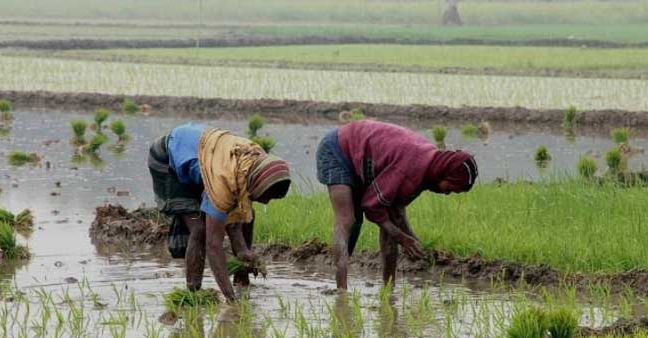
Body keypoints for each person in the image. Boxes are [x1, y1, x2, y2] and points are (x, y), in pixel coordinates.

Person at [316, 119, 478, 290]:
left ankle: (388, 290)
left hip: (363, 155)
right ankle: (341, 292)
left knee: (390, 225)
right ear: (445, 173)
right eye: (451, 188)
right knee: (347, 219)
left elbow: (396, 214)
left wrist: (414, 242)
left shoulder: (428, 169)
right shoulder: (410, 168)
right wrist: (403, 238)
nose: (447, 193)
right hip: (338, 149)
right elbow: (371, 206)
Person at [148, 123, 291, 302]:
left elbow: (242, 213)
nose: (267, 201)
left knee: (243, 212)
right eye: (267, 196)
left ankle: (241, 280)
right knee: (199, 228)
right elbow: (213, 245)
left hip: (203, 155)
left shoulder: (254, 162)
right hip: (168, 159)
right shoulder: (223, 182)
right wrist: (231, 299)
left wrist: (243, 252)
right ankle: (193, 292)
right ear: (256, 183)